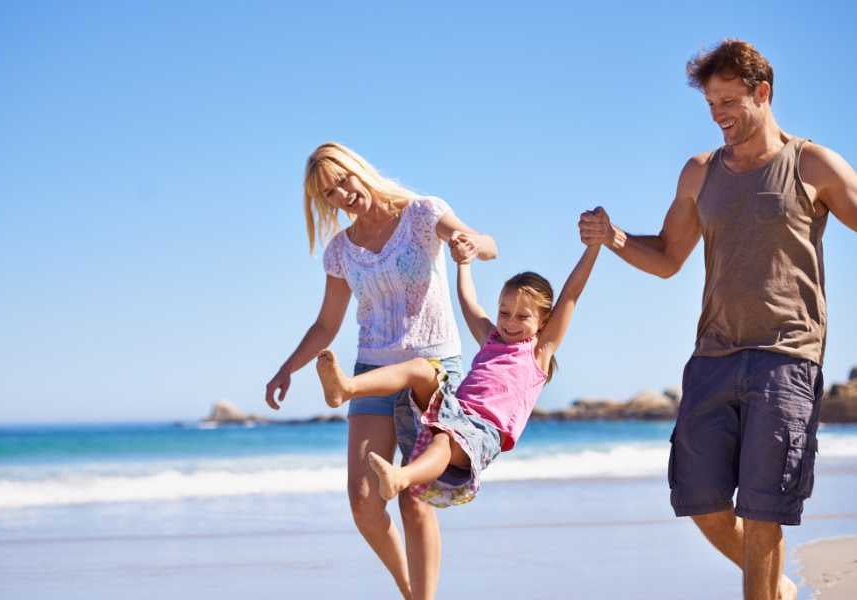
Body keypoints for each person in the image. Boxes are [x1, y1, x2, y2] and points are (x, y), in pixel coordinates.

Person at [578, 39, 857, 600]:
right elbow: (666, 258)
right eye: (710, 105)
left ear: (763, 92)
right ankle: (773, 586)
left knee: (763, 511)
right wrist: (613, 238)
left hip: (786, 358)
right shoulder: (699, 173)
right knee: (699, 501)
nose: (719, 116)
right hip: (712, 356)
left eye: (729, 101)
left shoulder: (812, 164)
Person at [265, 142, 497, 600]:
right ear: (324, 203)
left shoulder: (422, 213)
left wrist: (470, 244)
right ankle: (409, 591)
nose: (344, 194)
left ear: (360, 170)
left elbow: (487, 245)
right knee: (364, 502)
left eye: (344, 180)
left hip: (431, 369)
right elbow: (326, 324)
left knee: (414, 498)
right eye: (331, 193)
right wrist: (287, 368)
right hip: (372, 368)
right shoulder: (340, 252)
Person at [315, 241, 600, 507]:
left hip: (483, 431)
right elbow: (469, 302)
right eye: (504, 313)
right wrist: (464, 264)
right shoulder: (492, 339)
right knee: (421, 368)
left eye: (523, 317)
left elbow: (571, 294)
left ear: (543, 321)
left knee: (445, 440)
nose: (510, 323)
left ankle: (402, 477)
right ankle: (347, 389)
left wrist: (593, 246)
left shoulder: (539, 352)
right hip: (454, 410)